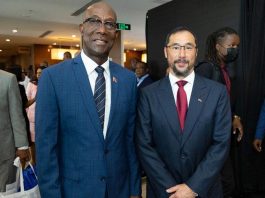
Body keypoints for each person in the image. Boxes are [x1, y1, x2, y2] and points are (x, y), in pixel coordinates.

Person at [35, 2, 141, 198]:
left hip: (119, 189)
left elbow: (129, 141)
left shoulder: (127, 80)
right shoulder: (53, 78)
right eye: (94, 21)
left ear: (115, 33)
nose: (102, 30)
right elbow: (46, 148)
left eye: (109, 24)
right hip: (73, 191)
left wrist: (135, 189)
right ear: (82, 28)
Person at [136, 26, 231, 198]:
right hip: (163, 191)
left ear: (196, 52)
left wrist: (192, 187)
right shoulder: (148, 94)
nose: (182, 54)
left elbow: (221, 144)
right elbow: (144, 145)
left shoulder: (217, 93)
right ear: (166, 52)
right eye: (176, 47)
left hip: (205, 190)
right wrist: (172, 189)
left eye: (188, 47)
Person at [195, 27, 243, 197]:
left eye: (237, 46)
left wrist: (234, 117)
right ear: (217, 46)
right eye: (231, 46)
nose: (235, 50)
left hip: (222, 136)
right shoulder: (206, 69)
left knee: (227, 183)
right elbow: (197, 107)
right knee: (219, 184)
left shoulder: (225, 71)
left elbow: (225, 103)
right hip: (208, 139)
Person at [0, 69, 30, 192]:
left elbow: (16, 115)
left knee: (4, 191)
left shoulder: (8, 79)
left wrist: (22, 146)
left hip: (4, 150)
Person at [26, 66, 46, 165]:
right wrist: (35, 98)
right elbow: (26, 102)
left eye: (41, 72)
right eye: (38, 72)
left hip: (46, 118)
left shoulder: (49, 84)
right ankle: (34, 163)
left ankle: (43, 162)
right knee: (33, 142)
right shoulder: (31, 84)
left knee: (44, 140)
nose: (39, 74)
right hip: (33, 118)